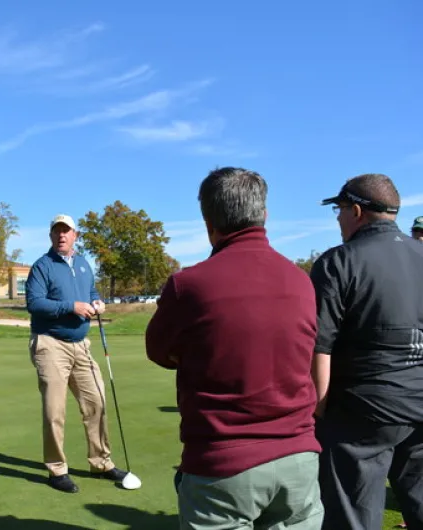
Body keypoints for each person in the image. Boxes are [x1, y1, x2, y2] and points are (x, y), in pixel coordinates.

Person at [146, 167, 323, 529]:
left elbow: (160, 351)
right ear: (265, 215)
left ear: (208, 221)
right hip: (299, 459)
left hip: (223, 465)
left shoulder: (189, 285)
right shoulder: (301, 281)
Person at [312, 173, 423, 530]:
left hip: (361, 415)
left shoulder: (337, 262)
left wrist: (319, 408)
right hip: (420, 403)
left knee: (353, 518)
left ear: (356, 210)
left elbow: (320, 346)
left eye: (340, 210)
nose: (339, 219)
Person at [25, 214, 128, 493]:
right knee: (54, 411)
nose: (61, 235)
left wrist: (97, 301)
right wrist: (71, 306)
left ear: (75, 235)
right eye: (57, 231)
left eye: (66, 231)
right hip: (50, 344)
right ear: (51, 236)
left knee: (97, 401)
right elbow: (34, 303)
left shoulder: (83, 264)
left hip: (81, 345)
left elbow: (91, 290)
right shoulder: (42, 267)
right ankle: (57, 469)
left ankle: (101, 462)